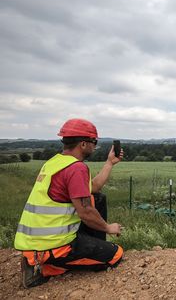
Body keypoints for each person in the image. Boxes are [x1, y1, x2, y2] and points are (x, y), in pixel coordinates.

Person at [14, 118, 124, 288]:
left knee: (98, 198)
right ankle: (44, 267)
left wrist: (110, 163)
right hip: (53, 245)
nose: (95, 146)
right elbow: (86, 212)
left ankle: (38, 257)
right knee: (115, 254)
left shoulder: (54, 163)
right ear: (83, 144)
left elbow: (93, 188)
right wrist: (109, 228)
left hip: (37, 241)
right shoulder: (76, 168)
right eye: (93, 142)